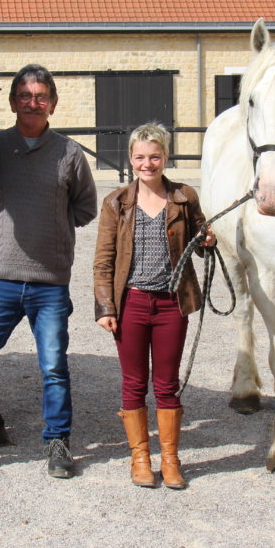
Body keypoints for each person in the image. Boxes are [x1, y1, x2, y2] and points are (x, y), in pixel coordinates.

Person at [0, 64, 98, 479]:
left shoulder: (70, 153)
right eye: (24, 96)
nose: (32, 102)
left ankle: (58, 442)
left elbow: (85, 209)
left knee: (54, 367)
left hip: (49, 283)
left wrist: (51, 225)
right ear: (12, 102)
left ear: (53, 104)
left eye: (40, 96)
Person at [93, 123, 215, 489]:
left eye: (155, 156)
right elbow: (103, 260)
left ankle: (172, 460)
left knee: (167, 384)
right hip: (130, 302)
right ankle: (140, 459)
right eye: (141, 157)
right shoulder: (115, 202)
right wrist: (105, 307)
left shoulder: (184, 197)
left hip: (170, 304)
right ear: (131, 159)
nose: (148, 163)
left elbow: (201, 233)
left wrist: (207, 239)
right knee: (133, 383)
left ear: (166, 157)